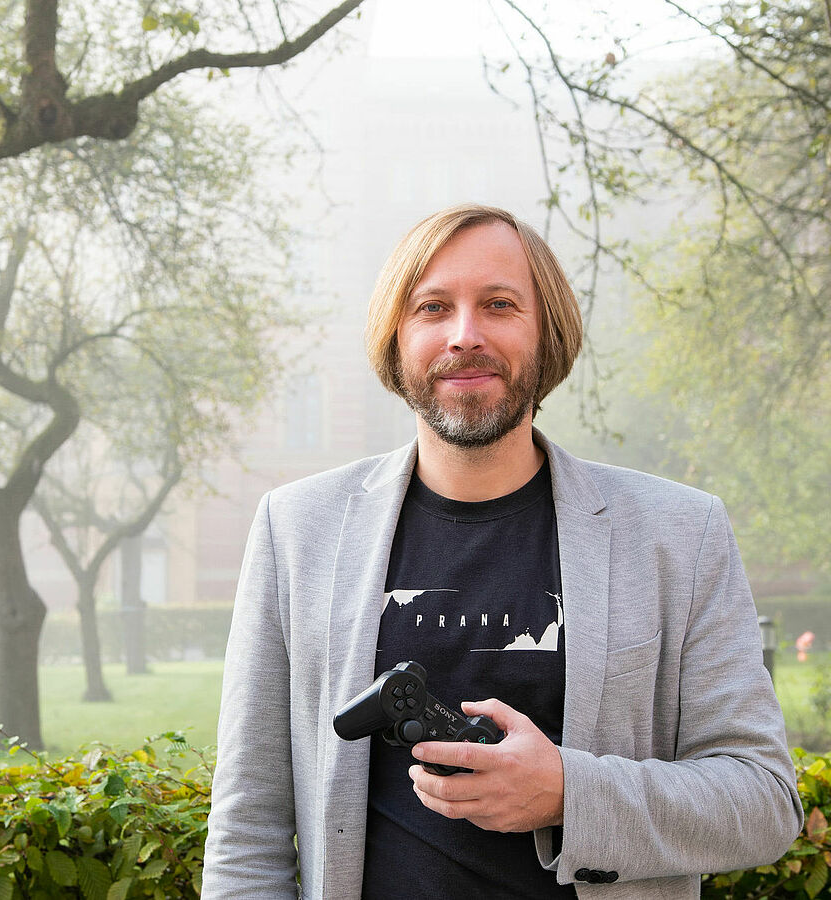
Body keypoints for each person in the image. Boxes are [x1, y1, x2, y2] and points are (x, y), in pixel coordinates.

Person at [201, 204, 802, 899]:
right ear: (396, 338)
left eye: (499, 304)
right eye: (432, 308)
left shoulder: (680, 533)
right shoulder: (296, 528)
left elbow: (763, 801)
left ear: (548, 334)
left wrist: (569, 794)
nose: (465, 335)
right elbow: (247, 832)